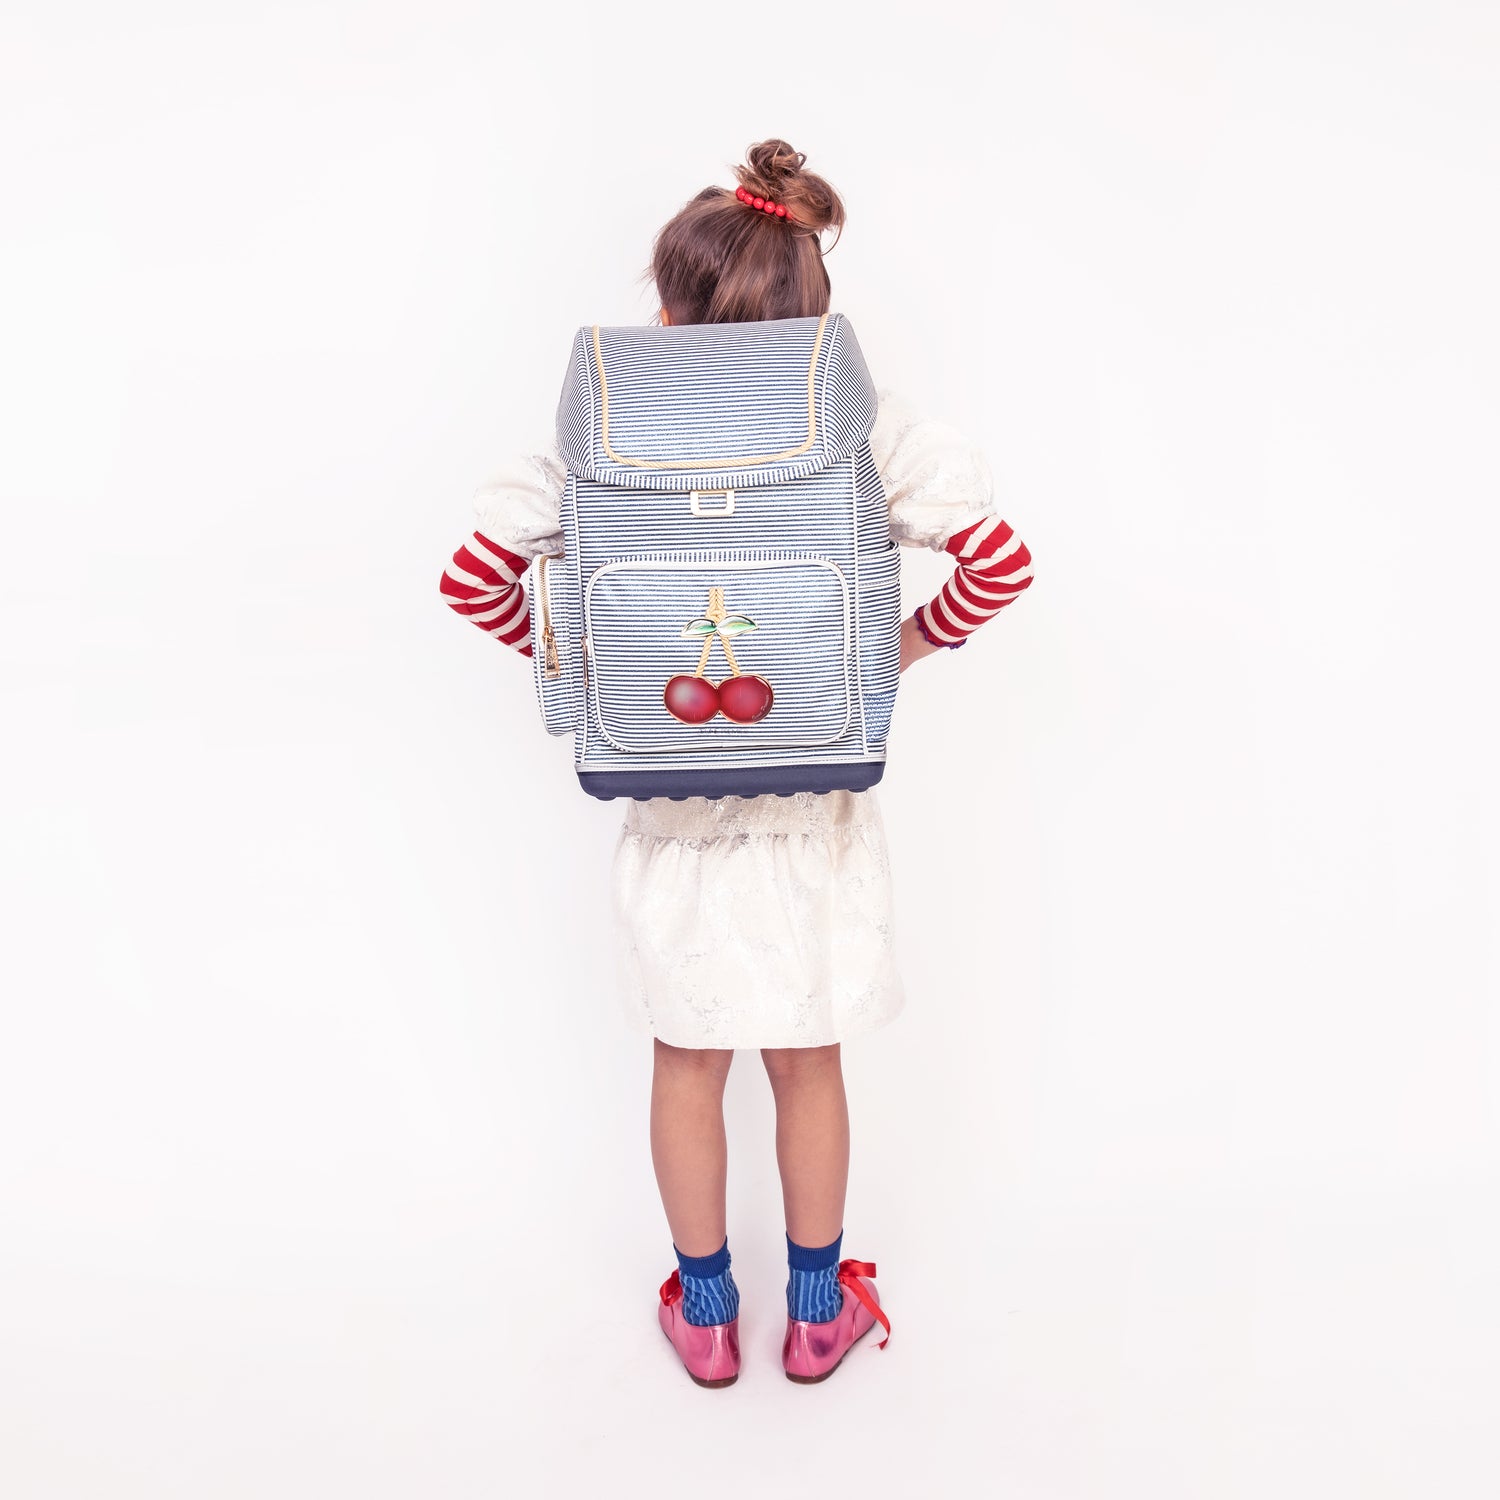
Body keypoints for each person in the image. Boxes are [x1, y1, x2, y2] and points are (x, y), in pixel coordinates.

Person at [439, 139, 1035, 1387]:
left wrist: (577, 665)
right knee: (808, 1061)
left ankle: (705, 1316)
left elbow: (472, 577)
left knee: (687, 1062)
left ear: (666, 311)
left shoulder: (607, 415)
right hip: (817, 808)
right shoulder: (862, 419)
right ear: (814, 313)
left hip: (673, 816)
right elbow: (1000, 565)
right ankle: (818, 1314)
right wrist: (894, 653)